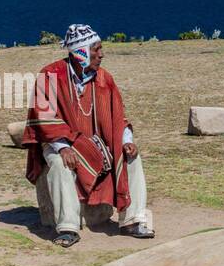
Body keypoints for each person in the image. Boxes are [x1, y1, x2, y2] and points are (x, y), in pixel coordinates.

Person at [20, 24, 153, 247]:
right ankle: (68, 228)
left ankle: (132, 220)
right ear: (80, 52)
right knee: (60, 164)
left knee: (131, 157)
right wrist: (63, 147)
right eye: (96, 49)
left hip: (97, 143)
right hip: (57, 143)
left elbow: (117, 116)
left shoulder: (104, 79)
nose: (101, 54)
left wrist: (127, 141)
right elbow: (42, 118)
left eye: (101, 49)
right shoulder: (49, 75)